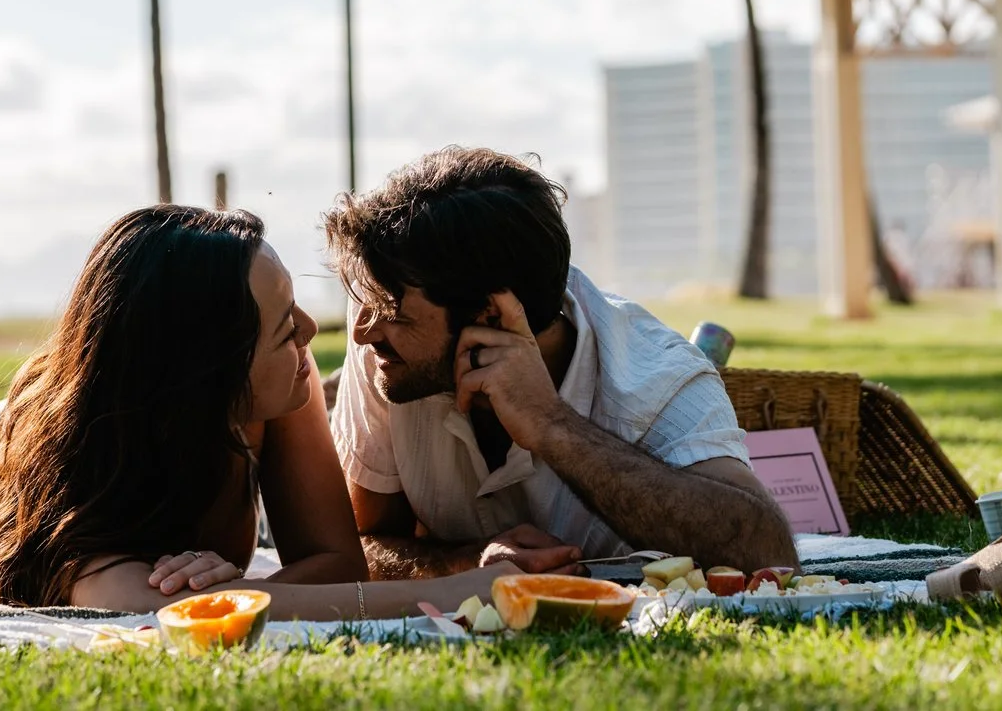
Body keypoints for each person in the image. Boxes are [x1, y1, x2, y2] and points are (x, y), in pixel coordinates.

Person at [0, 205, 525, 618]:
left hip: (25, 417)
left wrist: (264, 584)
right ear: (208, 372)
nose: (310, 327)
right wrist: (481, 586)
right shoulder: (75, 518)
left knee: (13, 417)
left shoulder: (273, 388)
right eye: (280, 323)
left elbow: (336, 566)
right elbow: (175, 610)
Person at [325, 147, 794, 576]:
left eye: (390, 311)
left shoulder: (659, 381)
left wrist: (552, 425)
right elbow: (358, 545)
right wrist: (465, 562)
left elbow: (768, 553)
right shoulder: (387, 347)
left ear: (488, 315)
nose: (363, 332)